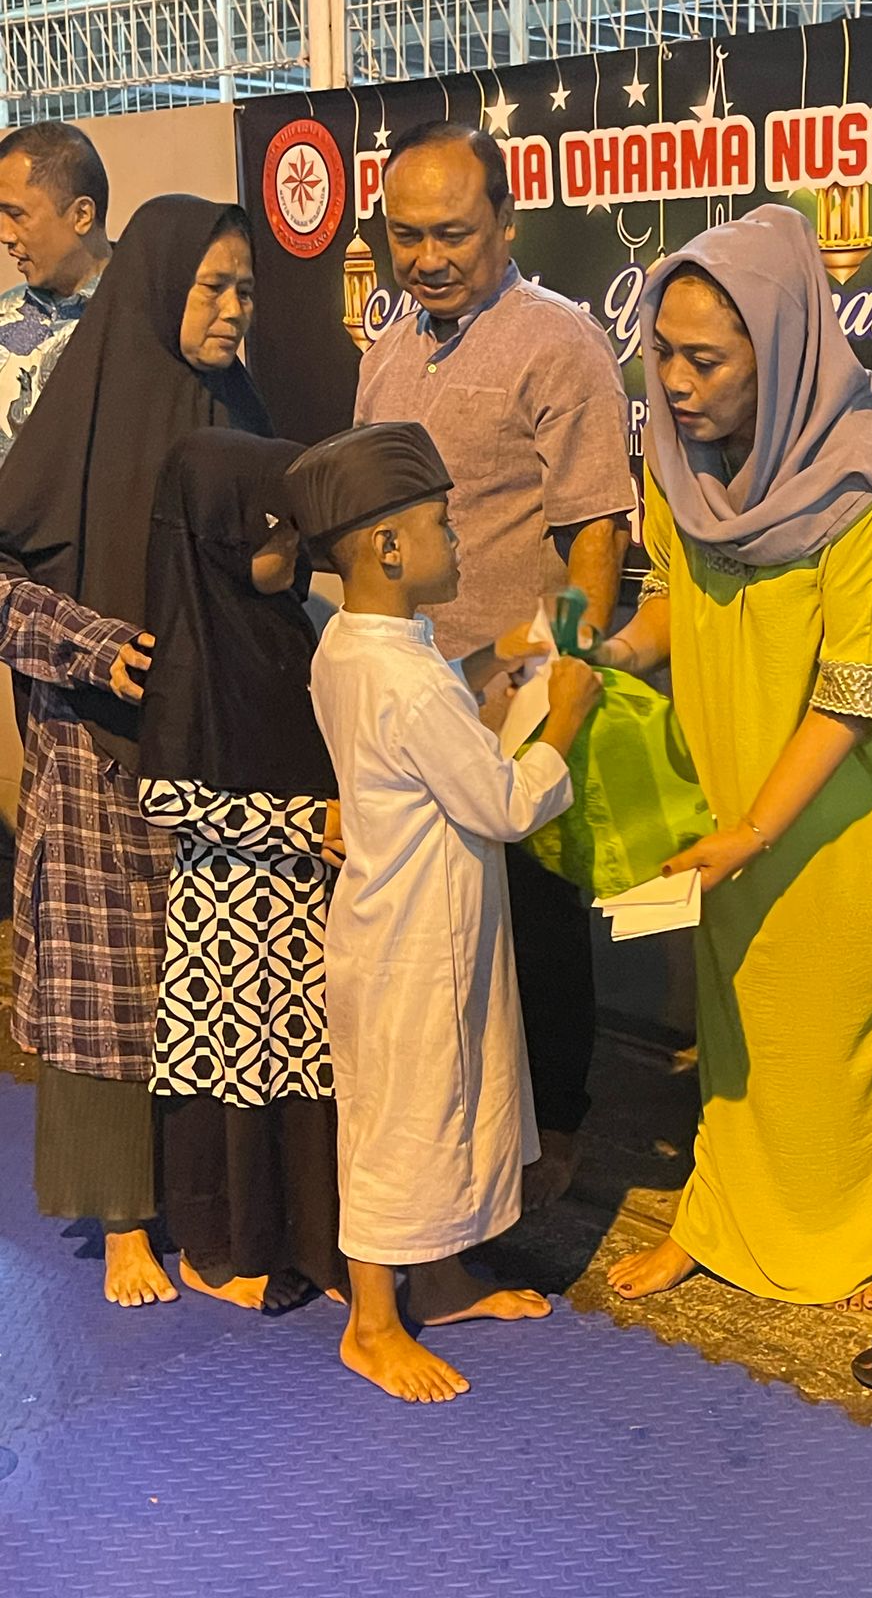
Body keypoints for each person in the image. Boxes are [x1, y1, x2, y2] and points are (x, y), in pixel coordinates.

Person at [599, 205, 872, 1311]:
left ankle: (853, 1222)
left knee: (837, 1004)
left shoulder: (863, 492)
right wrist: (598, 657)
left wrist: (756, 831)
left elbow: (861, 691)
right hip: (749, 765)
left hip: (861, 785)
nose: (676, 383)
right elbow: (674, 599)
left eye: (706, 360)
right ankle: (717, 1212)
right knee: (741, 994)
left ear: (780, 351)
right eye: (664, 353)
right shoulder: (679, 462)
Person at [355, 122, 635, 1207]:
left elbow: (596, 529)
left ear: (506, 223)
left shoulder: (560, 343)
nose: (428, 258)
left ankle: (554, 1123)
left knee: (536, 919)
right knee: (434, 934)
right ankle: (454, 1131)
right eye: (407, 235)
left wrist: (561, 673)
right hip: (404, 691)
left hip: (514, 691)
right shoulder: (383, 350)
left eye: (454, 234)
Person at [294, 422, 603, 1401]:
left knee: (446, 1104)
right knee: (403, 1119)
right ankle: (372, 1323)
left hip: (418, 926)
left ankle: (439, 1275)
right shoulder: (403, 675)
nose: (458, 541)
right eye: (443, 523)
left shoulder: (358, 644)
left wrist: (498, 662)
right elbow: (502, 804)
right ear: (388, 545)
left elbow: (424, 734)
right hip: (413, 939)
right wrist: (565, 719)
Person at [0, 194, 271, 1306]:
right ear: (160, 287)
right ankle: (122, 1220)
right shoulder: (83, 407)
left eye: (245, 289)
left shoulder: (241, 409)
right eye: (212, 287)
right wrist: (93, 646)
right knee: (111, 987)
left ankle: (210, 1208)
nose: (232, 309)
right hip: (96, 756)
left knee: (215, 982)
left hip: (216, 744)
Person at [138, 429, 346, 1312]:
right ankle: (221, 1250)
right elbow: (166, 797)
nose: (292, 545)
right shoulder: (190, 651)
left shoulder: (289, 628)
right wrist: (302, 824)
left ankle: (308, 1241)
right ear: (223, 535)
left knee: (302, 1067)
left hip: (298, 904)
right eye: (273, 528)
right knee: (234, 1071)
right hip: (227, 912)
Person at [0, 121, 111, 463]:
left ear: (81, 215)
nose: (5, 235)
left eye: (16, 215)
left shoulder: (144, 317)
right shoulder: (5, 314)